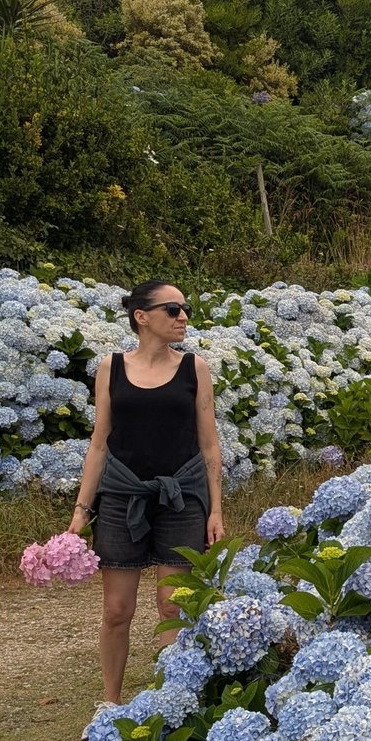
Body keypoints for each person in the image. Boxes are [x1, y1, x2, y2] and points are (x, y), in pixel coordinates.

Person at [69, 281, 225, 704]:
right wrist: (82, 510)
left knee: (173, 607)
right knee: (117, 610)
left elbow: (210, 444)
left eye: (185, 308)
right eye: (173, 310)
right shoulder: (111, 367)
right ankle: (111, 703)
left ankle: (169, 701)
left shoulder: (196, 368)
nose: (183, 317)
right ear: (142, 316)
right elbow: (100, 442)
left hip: (182, 499)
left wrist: (215, 510)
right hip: (122, 498)